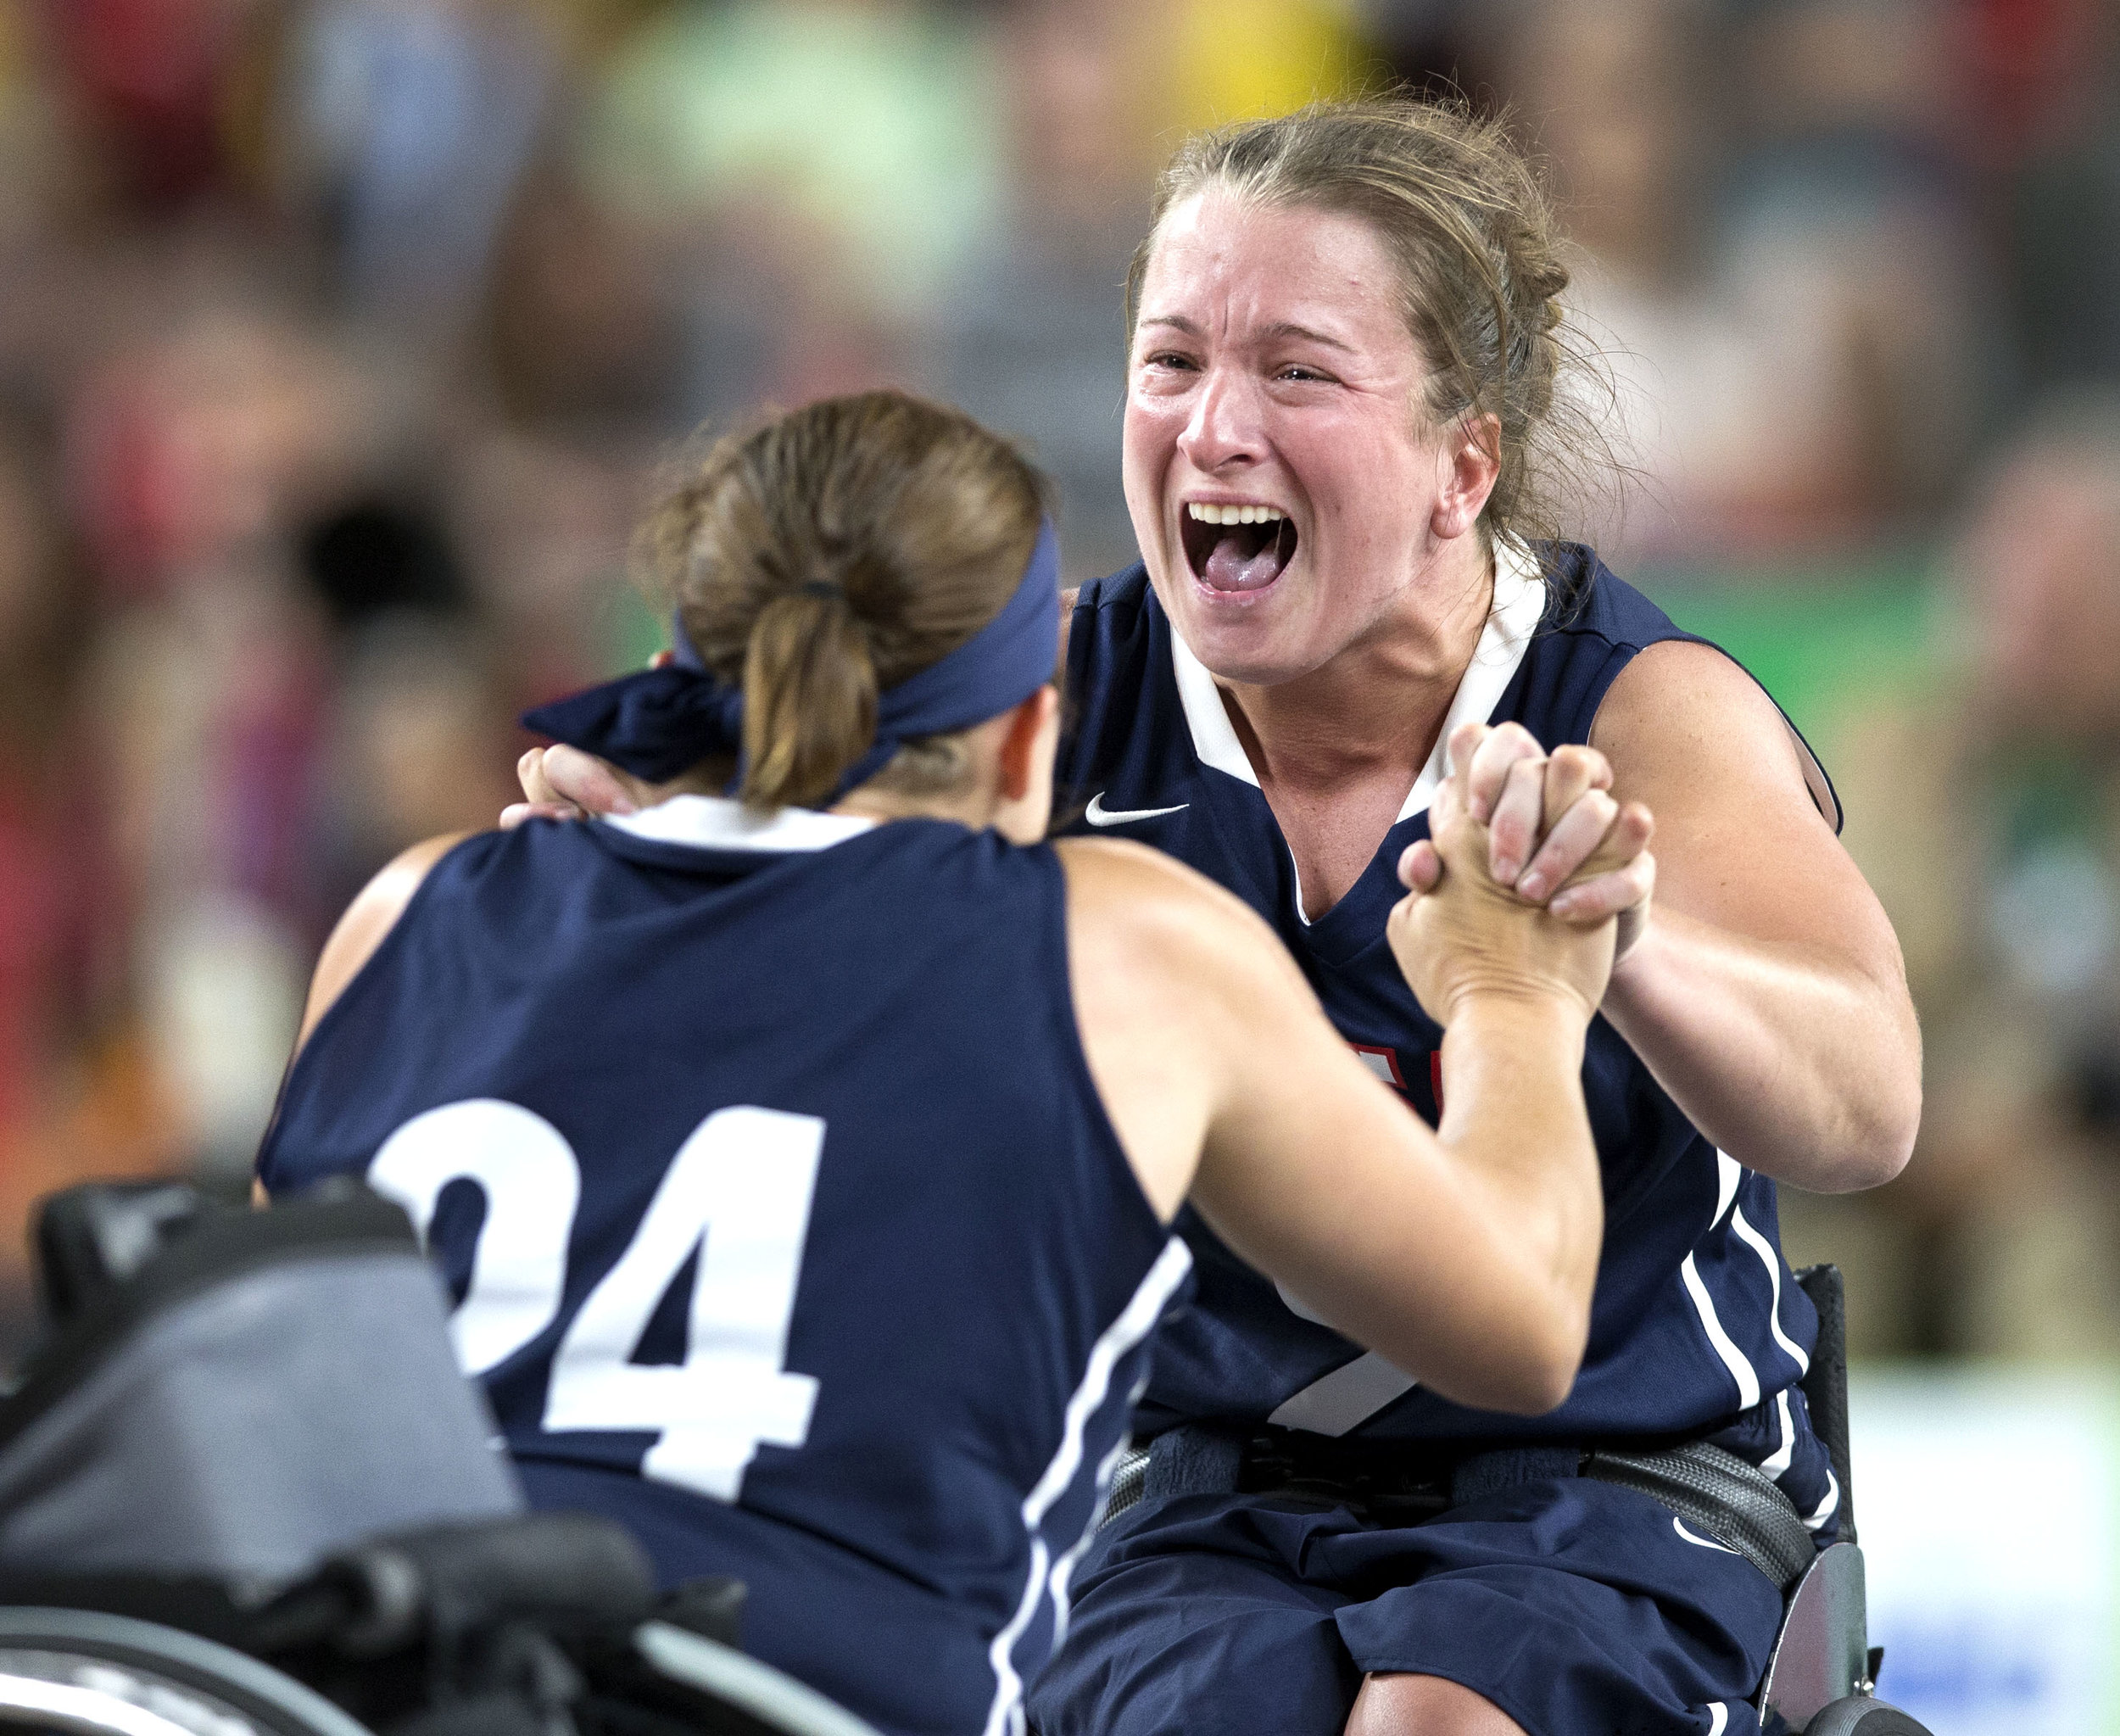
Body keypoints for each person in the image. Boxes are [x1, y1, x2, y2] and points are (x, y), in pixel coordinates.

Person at [518, 98, 1922, 1736]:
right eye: (1171, 361)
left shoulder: (1633, 707)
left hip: (1624, 1465)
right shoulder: (1029, 705)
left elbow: (1870, 1112)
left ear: (1465, 461)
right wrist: (662, 889)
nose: (1212, 427)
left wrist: (1612, 932)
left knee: (1438, 1724)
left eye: (1297, 372)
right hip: (1205, 1484)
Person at [259, 392, 1649, 1736]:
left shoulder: (408, 912)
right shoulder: (1119, 948)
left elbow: (263, 1414)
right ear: (1031, 739)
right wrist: (1508, 988)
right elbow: (1523, 1325)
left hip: (342, 1692)